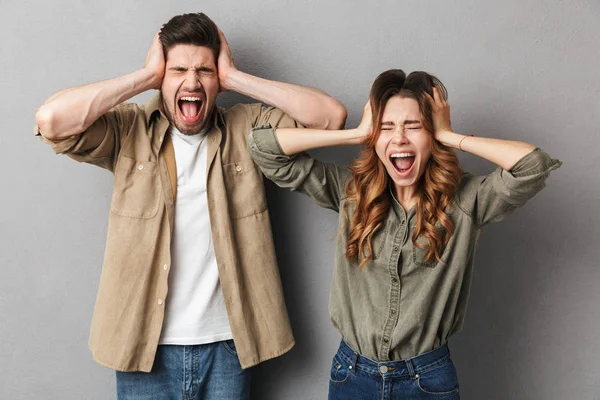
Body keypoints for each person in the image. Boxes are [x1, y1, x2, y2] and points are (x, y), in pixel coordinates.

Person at [34, 12, 346, 400]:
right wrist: (146, 76)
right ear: (161, 75)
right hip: (144, 349)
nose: (192, 81)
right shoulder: (129, 131)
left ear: (218, 78)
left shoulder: (245, 128)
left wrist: (235, 78)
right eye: (178, 69)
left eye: (205, 70)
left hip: (229, 347)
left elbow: (331, 118)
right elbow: (51, 120)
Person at [247, 69, 561, 399]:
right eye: (386, 127)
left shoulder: (466, 200)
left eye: (414, 126)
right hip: (351, 377)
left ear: (431, 137)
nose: (399, 138)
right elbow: (263, 148)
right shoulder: (351, 193)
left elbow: (532, 165)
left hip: (426, 381)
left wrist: (449, 135)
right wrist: (356, 133)